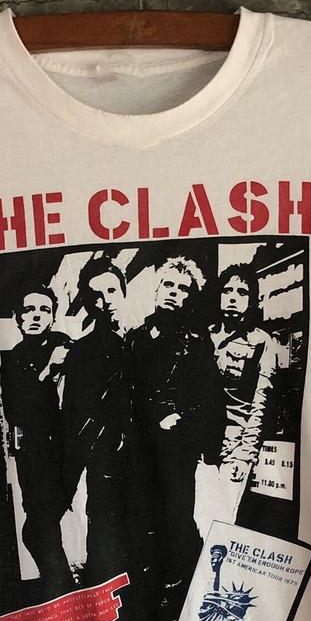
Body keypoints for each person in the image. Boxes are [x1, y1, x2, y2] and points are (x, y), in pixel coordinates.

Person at [124, 255, 225, 597]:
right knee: (142, 515)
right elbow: (127, 391)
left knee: (177, 517)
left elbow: (209, 397)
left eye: (183, 289)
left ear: (189, 298)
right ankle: (149, 590)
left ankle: (185, 589)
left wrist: (182, 420)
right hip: (139, 445)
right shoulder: (135, 338)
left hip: (176, 448)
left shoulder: (196, 342)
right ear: (156, 289)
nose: (173, 292)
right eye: (168, 285)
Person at [58, 255, 131, 584]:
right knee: (105, 536)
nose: (105, 302)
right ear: (88, 303)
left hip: (147, 459)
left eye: (111, 291)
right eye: (96, 296)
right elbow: (73, 415)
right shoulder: (82, 351)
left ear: (123, 292)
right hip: (106, 462)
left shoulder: (141, 340)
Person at [0, 285, 73, 587]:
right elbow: (16, 412)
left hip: (66, 449)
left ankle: (60, 581)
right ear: (18, 317)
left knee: (41, 524)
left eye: (44, 310)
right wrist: (47, 371)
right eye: (28, 310)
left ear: (53, 317)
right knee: (40, 522)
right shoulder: (13, 359)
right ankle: (61, 582)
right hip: (33, 453)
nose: (36, 316)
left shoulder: (63, 343)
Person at [203, 263, 277, 520]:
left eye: (242, 292)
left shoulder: (261, 342)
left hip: (234, 445)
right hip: (201, 446)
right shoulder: (205, 336)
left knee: (222, 520)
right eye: (227, 291)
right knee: (197, 521)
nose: (233, 297)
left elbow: (261, 402)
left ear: (252, 300)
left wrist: (245, 454)